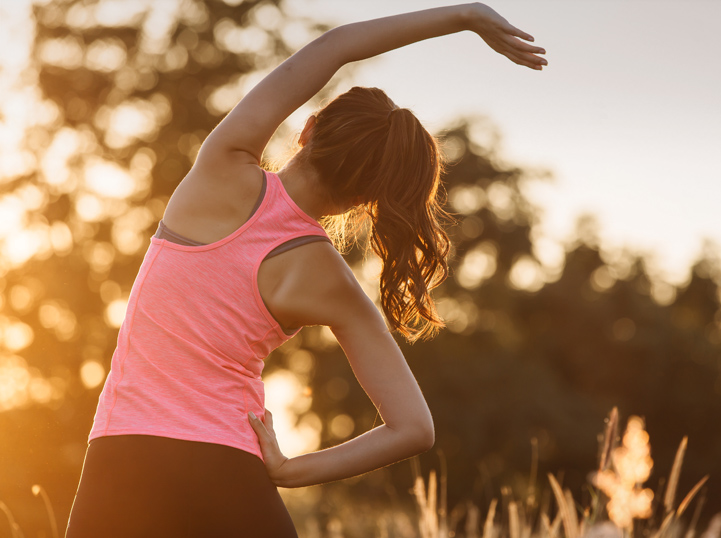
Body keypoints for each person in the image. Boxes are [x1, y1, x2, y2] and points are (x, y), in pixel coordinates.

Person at [65, 3, 545, 536]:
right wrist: (292, 470)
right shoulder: (331, 281)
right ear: (367, 199)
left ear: (308, 129)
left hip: (123, 458)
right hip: (230, 470)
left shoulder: (222, 168)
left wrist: (465, 15)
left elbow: (336, 47)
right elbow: (413, 429)